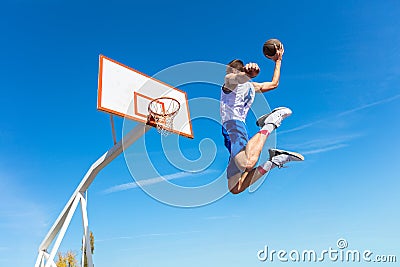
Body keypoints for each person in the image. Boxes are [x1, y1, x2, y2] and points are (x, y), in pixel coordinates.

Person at [220, 44, 304, 194]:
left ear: (233, 70)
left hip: (233, 126)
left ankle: (270, 124)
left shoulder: (235, 81)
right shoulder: (234, 83)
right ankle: (274, 161)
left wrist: (277, 61)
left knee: (248, 163)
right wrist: (275, 62)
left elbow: (273, 84)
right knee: (235, 188)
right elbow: (271, 83)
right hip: (234, 129)